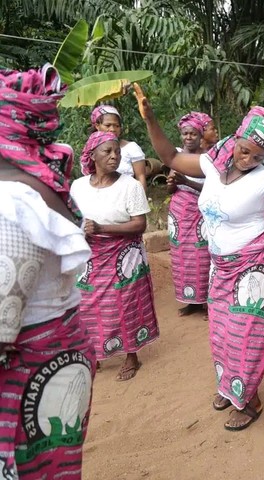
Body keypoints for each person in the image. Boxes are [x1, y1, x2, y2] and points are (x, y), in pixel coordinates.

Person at [134, 84, 264, 431]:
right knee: (220, 333)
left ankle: (250, 400)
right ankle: (232, 385)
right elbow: (172, 158)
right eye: (242, 150)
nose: (245, 159)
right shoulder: (213, 164)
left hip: (252, 268)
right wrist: (151, 119)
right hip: (219, 267)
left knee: (245, 332)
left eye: (253, 155)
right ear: (235, 141)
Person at [0, 64, 96, 480]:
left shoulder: (12, 203)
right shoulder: (39, 187)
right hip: (60, 354)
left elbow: (3, 322)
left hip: (28, 367)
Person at [72, 131, 160, 382]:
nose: (114, 156)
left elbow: (139, 225)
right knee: (87, 305)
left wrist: (101, 228)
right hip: (90, 256)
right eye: (107, 152)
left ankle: (131, 355)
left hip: (123, 257)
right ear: (92, 155)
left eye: (117, 152)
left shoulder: (130, 186)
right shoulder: (78, 186)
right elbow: (74, 217)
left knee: (124, 305)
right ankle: (95, 354)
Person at [167, 112, 213, 317]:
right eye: (185, 133)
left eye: (193, 134)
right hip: (179, 213)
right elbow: (170, 190)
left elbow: (213, 190)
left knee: (203, 256)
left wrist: (186, 182)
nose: (188, 137)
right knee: (182, 257)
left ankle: (206, 301)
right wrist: (172, 184)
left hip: (201, 212)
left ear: (200, 135)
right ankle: (190, 300)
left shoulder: (207, 158)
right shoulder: (175, 155)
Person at [91, 105, 148, 191]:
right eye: (108, 125)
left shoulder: (131, 148)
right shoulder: (92, 149)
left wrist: (141, 199)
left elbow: (141, 177)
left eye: (116, 126)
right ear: (97, 126)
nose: (112, 129)